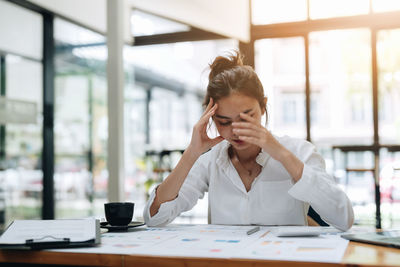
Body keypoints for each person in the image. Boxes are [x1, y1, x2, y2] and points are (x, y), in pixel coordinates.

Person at [143, 51, 354, 231]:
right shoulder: (211, 161)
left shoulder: (299, 151)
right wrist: (191, 153)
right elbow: (155, 218)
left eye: (246, 117)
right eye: (224, 122)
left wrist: (279, 153)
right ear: (211, 118)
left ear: (263, 107)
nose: (236, 131)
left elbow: (343, 218)